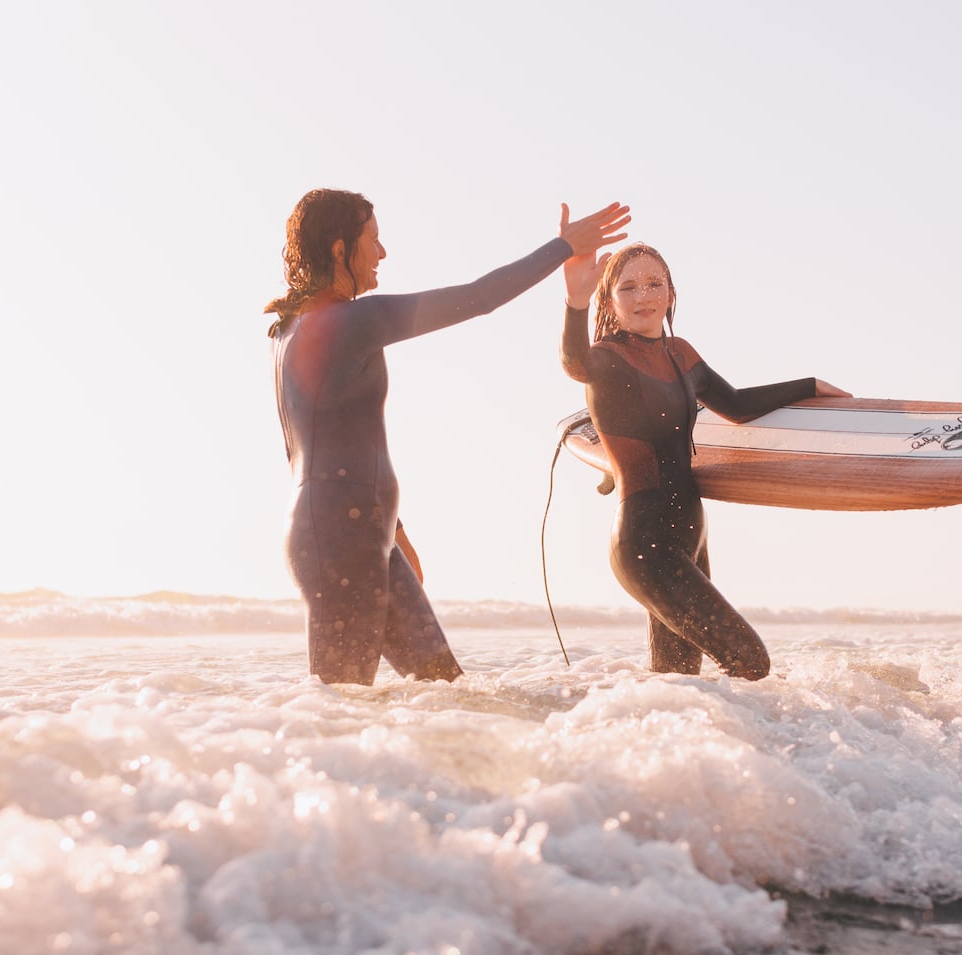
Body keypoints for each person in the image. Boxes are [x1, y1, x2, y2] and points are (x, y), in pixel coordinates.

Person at [267, 190, 630, 685]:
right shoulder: (348, 322)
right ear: (338, 249)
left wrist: (392, 529)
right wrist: (562, 247)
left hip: (353, 527)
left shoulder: (300, 328)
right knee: (340, 703)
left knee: (443, 688)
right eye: (372, 240)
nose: (383, 253)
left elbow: (323, 441)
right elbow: (477, 298)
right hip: (340, 535)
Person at [559, 243, 849, 680]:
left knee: (678, 682)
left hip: (691, 533)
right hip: (644, 543)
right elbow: (574, 362)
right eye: (629, 287)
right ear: (610, 299)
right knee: (749, 661)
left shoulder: (682, 354)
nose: (644, 296)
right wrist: (574, 303)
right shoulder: (606, 359)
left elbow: (735, 404)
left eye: (655, 284)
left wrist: (808, 385)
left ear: (671, 292)